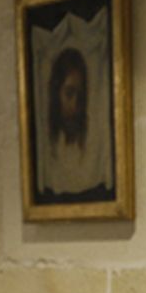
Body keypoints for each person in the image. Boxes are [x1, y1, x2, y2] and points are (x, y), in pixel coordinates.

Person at [38, 45, 112, 196]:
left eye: (81, 95)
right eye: (69, 93)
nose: (76, 105)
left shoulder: (94, 149)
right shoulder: (47, 149)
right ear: (56, 95)